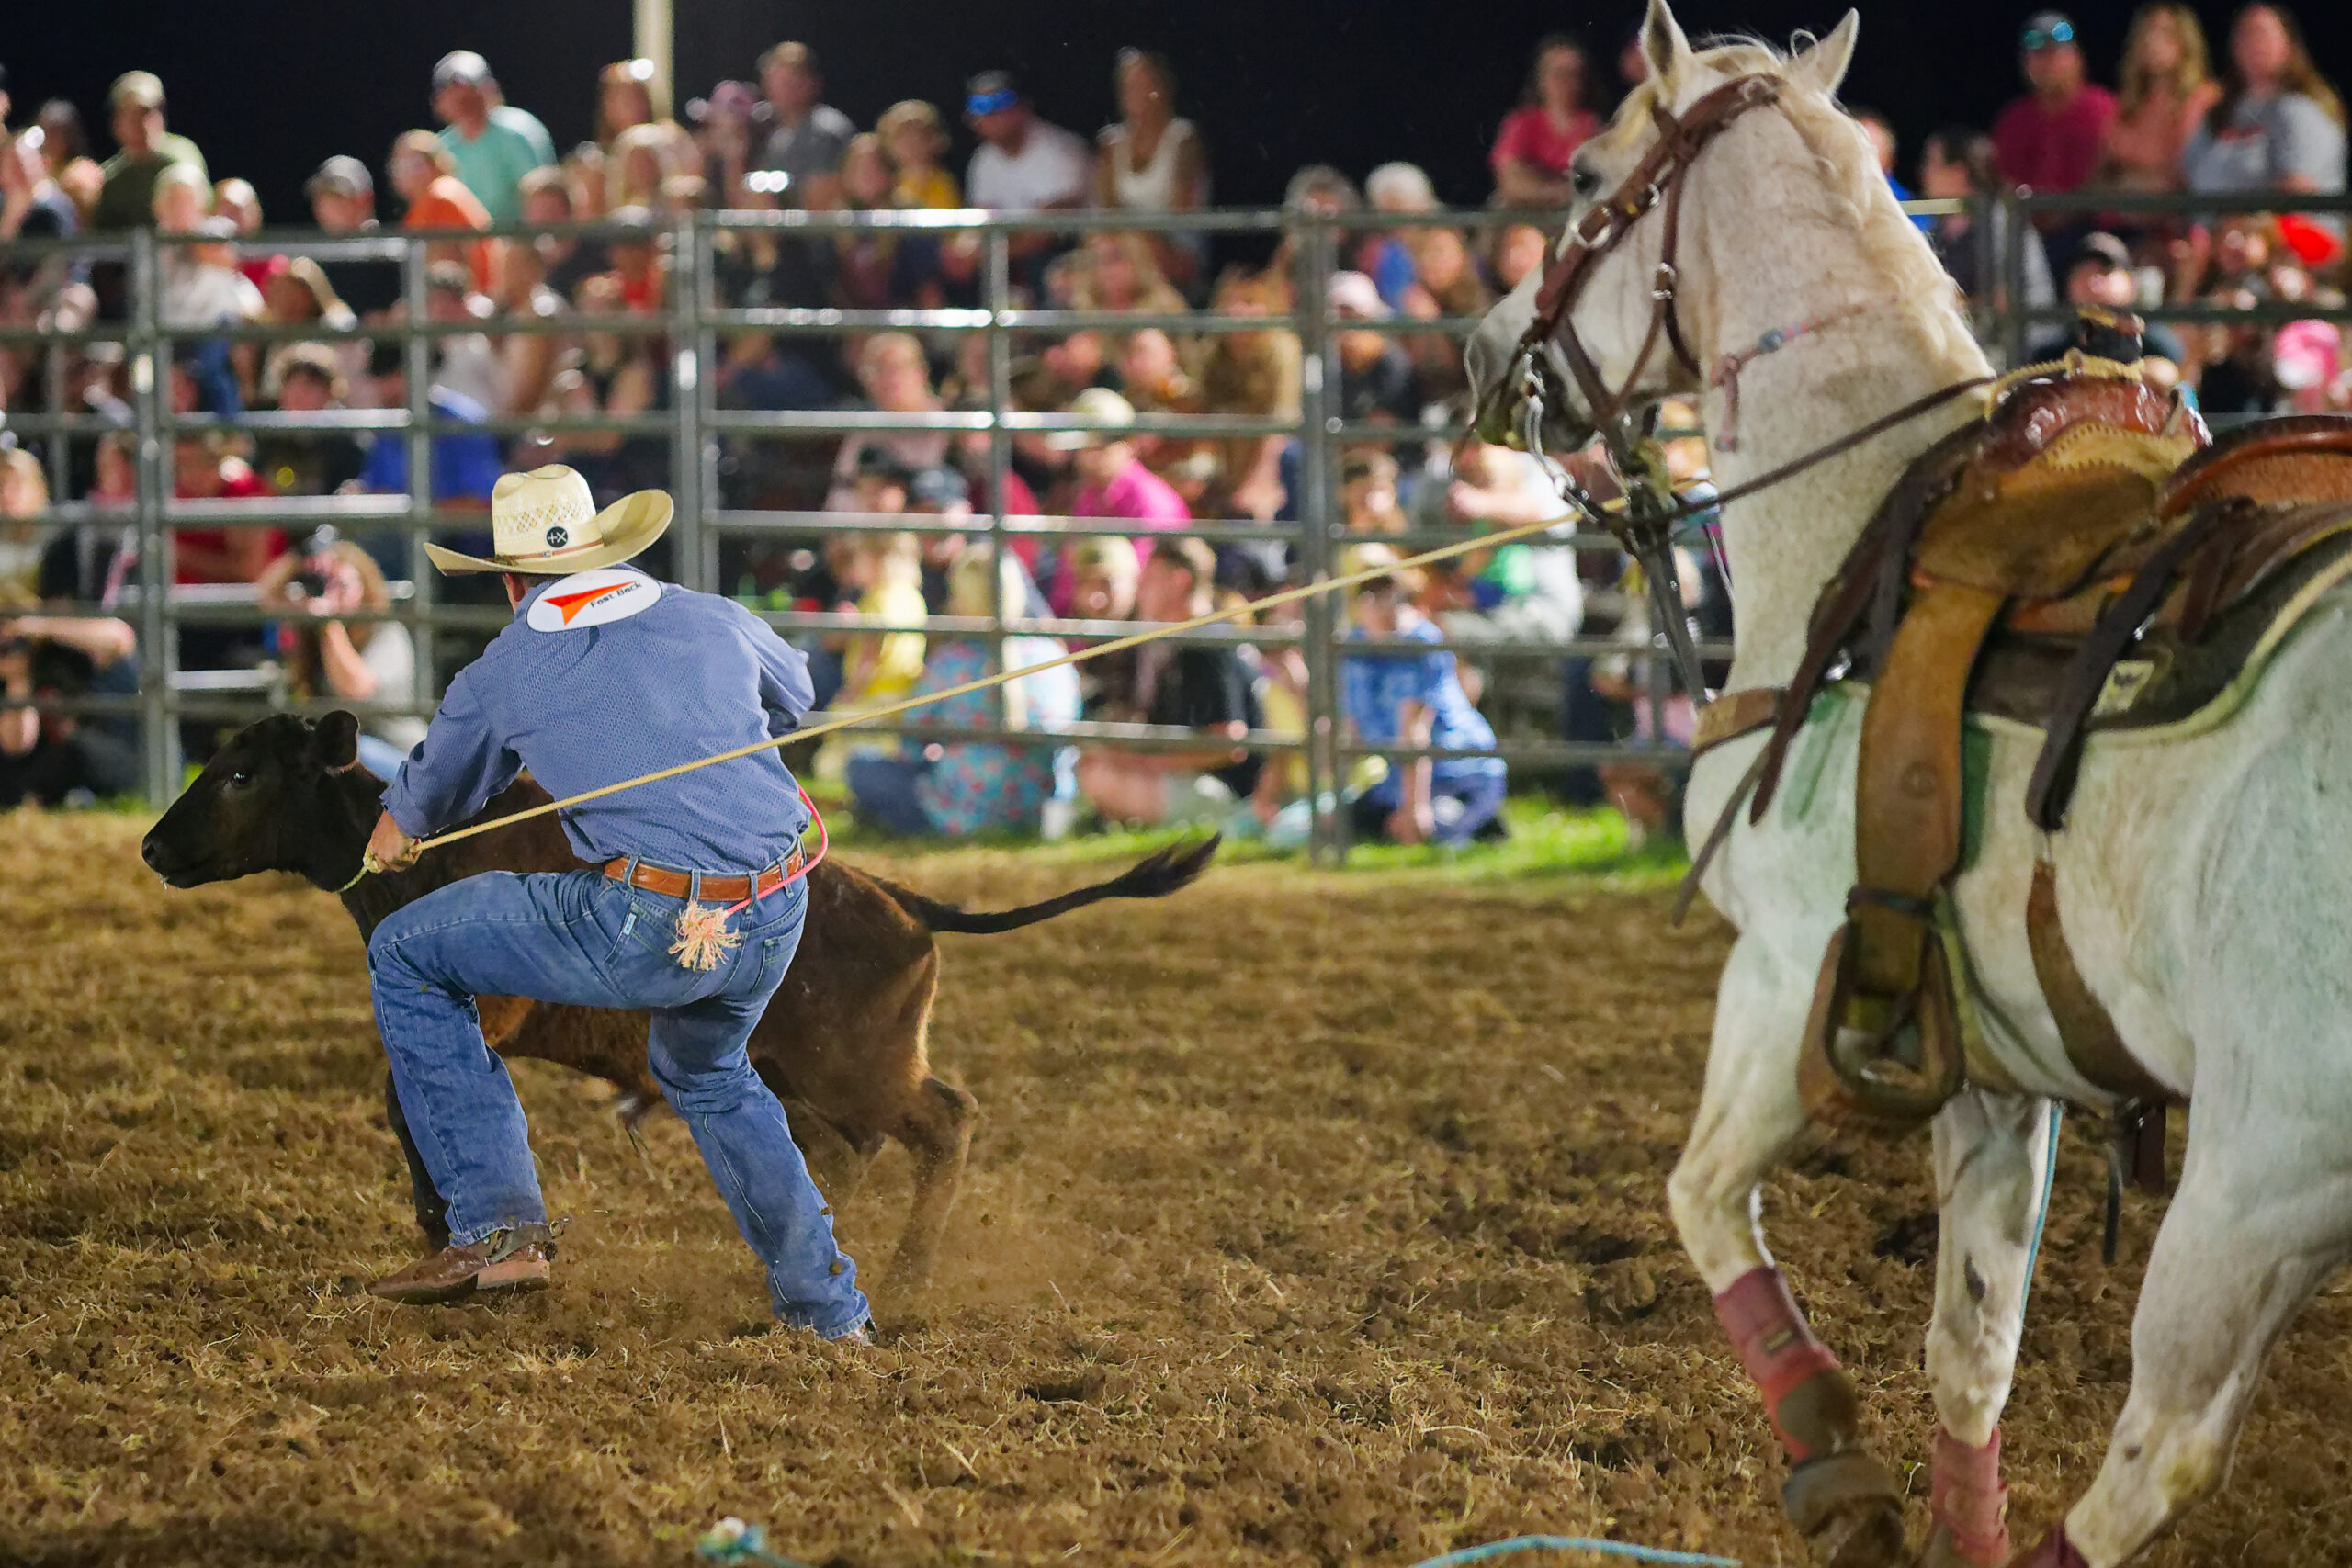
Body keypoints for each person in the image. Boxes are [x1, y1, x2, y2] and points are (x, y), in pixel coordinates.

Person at [356, 463, 871, 1344]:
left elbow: (425, 800)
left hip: (650, 920)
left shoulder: (503, 669)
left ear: (511, 583)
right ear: (601, 549)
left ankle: (497, 1225)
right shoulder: (711, 615)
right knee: (706, 1071)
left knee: (406, 951)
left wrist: (392, 830)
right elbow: (798, 695)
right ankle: (828, 1311)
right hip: (778, 902)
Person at [845, 549, 1078, 839]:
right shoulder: (1052, 654)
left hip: (963, 814)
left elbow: (911, 740)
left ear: (963, 601)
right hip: (1039, 805)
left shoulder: (953, 661)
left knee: (862, 766)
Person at [1076, 537, 1262, 828]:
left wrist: (1147, 765)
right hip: (1185, 776)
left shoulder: (1208, 644)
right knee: (1094, 763)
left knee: (1100, 777)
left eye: (1149, 580)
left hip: (1226, 791)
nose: (1140, 591)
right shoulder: (1170, 642)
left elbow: (1229, 744)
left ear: (1179, 580)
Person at [1340, 547, 1506, 848]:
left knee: (1431, 834)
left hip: (1460, 773)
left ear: (1400, 590)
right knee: (1341, 826)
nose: (1374, 601)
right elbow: (1350, 728)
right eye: (1365, 591)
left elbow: (1415, 732)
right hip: (1398, 780)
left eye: (1384, 588)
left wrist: (1414, 809)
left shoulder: (1420, 642)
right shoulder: (1354, 645)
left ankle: (1475, 821)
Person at [255, 528, 424, 781]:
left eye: (342, 585)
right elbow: (266, 596)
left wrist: (328, 622)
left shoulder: (386, 632)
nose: (333, 594)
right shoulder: (316, 630)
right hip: (344, 757)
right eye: (327, 584)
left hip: (403, 761)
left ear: (365, 587)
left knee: (352, 753)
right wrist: (302, 558)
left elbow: (357, 690)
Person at [2183, 4, 2346, 248]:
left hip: (2289, 252)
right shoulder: (2220, 110)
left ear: (2288, 43)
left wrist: (2235, 225)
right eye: (2245, 33)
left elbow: (2297, 192)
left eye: (2261, 33)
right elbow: (2188, 177)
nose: (2253, 43)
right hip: (2214, 247)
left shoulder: (2301, 109)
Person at [1091, 50, 1206, 285]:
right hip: (1123, 244)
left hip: (1175, 248)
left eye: (1143, 84)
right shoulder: (1110, 143)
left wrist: (1139, 237)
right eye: (1128, 85)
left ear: (1161, 88)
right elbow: (1107, 209)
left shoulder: (1184, 138)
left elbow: (1181, 210)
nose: (1135, 93)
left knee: (1133, 252)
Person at [964, 69, 1091, 268]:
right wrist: (965, 252)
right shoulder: (983, 159)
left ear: (1023, 107)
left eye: (1000, 102)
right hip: (1010, 255)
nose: (991, 114)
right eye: (979, 106)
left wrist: (988, 254)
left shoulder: (1061, 149)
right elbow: (984, 219)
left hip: (1069, 255)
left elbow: (1047, 233)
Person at [1921, 125, 2057, 310]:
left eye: (1932, 163)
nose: (1924, 173)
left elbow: (2003, 300)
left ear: (1959, 172)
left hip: (2025, 336)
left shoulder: (2001, 220)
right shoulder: (1939, 229)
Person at [1993, 12, 2119, 198]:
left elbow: (2109, 180)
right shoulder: (2014, 119)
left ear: (2077, 58)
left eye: (2055, 53)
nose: (2047, 63)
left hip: (2093, 222)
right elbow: (2004, 183)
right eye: (2038, 55)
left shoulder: (2105, 110)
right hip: (2030, 224)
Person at [2098, 4, 2221, 194]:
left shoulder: (2203, 99)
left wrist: (2128, 174)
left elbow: (2181, 175)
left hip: (2176, 216)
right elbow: (2103, 172)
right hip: (2116, 216)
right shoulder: (2130, 103)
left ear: (2185, 41)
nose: (2152, 41)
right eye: (2146, 33)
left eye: (2164, 33)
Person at [430, 51, 556, 228]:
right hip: (466, 247)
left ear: (490, 88)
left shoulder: (518, 132)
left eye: (470, 89)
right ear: (439, 101)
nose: (462, 98)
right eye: (452, 91)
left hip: (521, 242)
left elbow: (543, 201)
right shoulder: (441, 147)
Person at [1490, 35, 1604, 207]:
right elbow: (1510, 180)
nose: (1568, 83)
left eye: (1574, 74)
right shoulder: (1522, 123)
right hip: (1528, 214)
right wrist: (1555, 192)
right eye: (1559, 74)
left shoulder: (1594, 126)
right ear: (1541, 78)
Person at [92, 72, 206, 231]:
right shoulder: (110, 178)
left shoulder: (179, 159)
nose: (142, 123)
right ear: (116, 122)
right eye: (131, 114)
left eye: (147, 113)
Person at [389, 130, 497, 296]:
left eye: (415, 163)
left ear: (437, 164)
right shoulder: (424, 203)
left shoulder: (441, 195)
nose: (405, 171)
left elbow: (450, 262)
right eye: (400, 164)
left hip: (469, 298)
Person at [753, 42, 853, 209]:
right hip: (783, 227)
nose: (783, 90)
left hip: (820, 230)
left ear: (812, 83)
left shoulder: (827, 130)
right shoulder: (772, 132)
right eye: (776, 81)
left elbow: (824, 198)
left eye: (791, 81)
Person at [304, 155, 400, 319]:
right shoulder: (311, 262)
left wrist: (388, 319)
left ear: (366, 199)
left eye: (338, 198)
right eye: (322, 200)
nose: (328, 209)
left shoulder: (395, 253)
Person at [877, 100, 960, 209]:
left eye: (919, 136)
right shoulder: (885, 184)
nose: (911, 144)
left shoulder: (944, 184)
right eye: (902, 137)